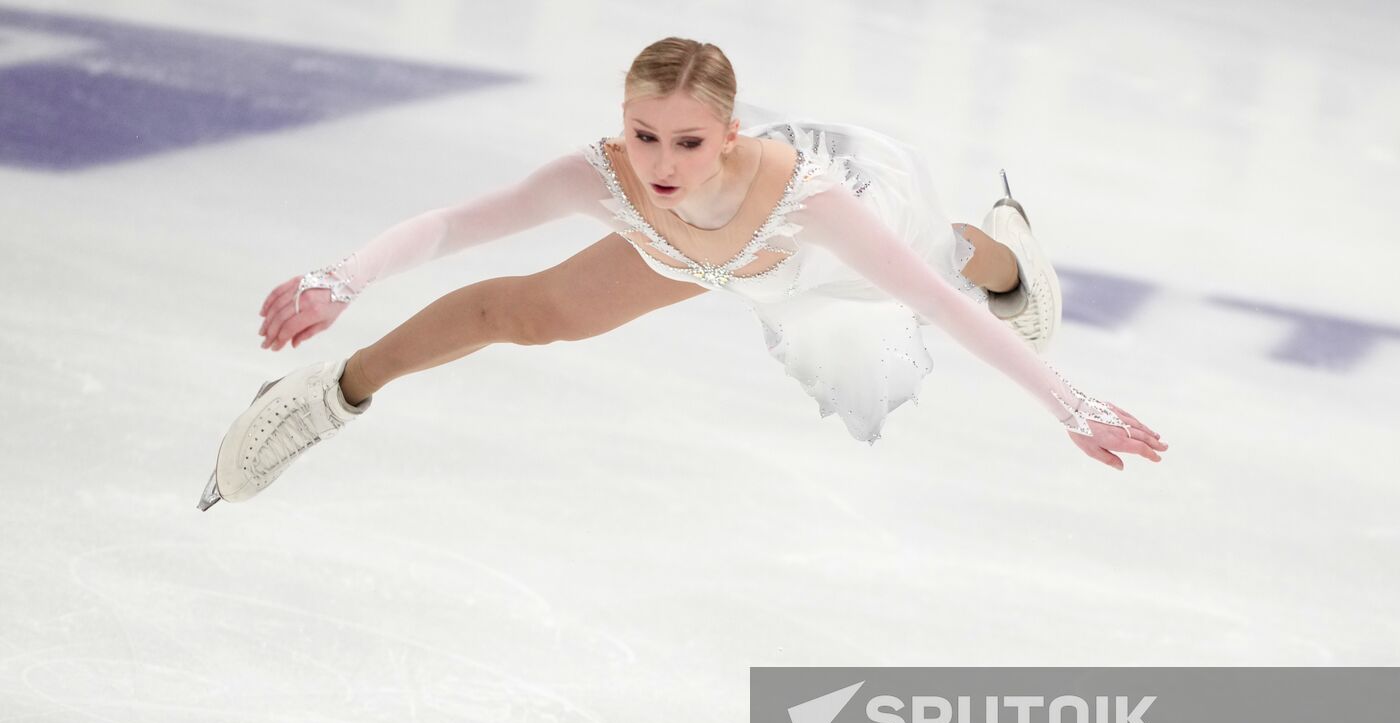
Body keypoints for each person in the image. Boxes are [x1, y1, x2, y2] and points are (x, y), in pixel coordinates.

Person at [196, 37, 1167, 512]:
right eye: (642, 133)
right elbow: (461, 223)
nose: (659, 162)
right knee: (528, 313)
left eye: (687, 141)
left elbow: (927, 305)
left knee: (936, 268)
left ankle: (1007, 248)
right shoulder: (610, 175)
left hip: (842, 237)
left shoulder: (818, 201)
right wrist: (343, 275)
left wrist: (1065, 403)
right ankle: (324, 397)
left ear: (728, 134)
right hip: (720, 252)